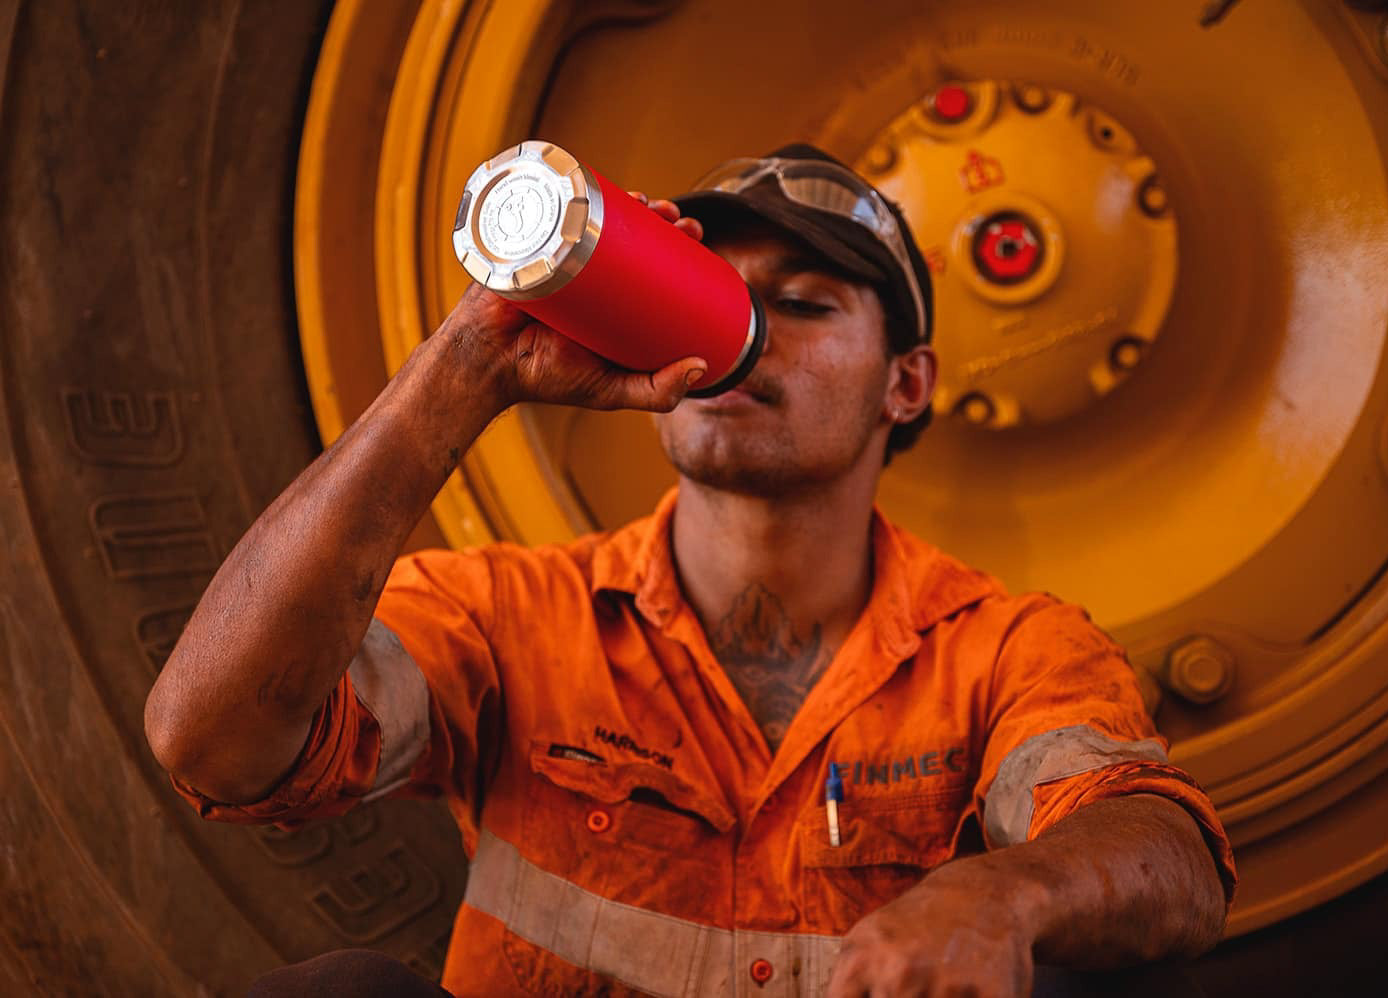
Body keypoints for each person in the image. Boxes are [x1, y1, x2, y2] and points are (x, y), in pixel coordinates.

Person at [145, 144, 1236, 997]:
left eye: (803, 304)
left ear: (907, 384)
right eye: (717, 293)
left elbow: (1168, 853)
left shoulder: (1002, 647)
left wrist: (1006, 892)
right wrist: (471, 363)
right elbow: (214, 739)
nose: (747, 339)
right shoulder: (510, 611)